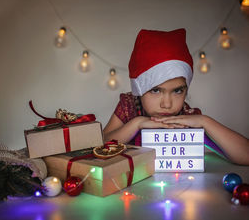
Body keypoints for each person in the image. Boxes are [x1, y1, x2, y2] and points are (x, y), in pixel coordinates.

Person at [103, 28, 249, 165]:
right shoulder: (130, 106)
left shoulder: (187, 117)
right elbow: (100, 146)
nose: (167, 104)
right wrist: (136, 124)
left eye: (177, 91)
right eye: (155, 90)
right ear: (139, 91)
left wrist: (205, 121)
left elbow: (245, 156)